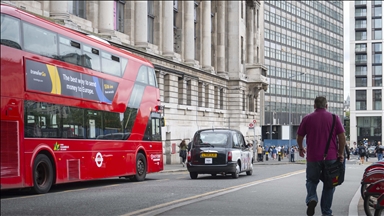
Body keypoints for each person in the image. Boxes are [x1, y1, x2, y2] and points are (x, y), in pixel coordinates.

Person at [296, 96, 346, 216]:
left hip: (313, 157)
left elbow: (299, 136)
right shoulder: (334, 118)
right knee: (329, 185)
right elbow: (342, 136)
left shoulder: (307, 118)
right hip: (331, 158)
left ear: (314, 106)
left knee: (311, 181)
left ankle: (312, 198)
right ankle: (326, 212)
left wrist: (301, 148)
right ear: (326, 106)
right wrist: (340, 153)